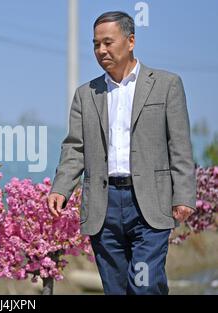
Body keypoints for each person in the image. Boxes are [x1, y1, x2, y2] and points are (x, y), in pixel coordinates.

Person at [48, 11, 196, 295]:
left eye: (107, 42)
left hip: (150, 202)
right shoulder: (85, 94)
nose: (101, 50)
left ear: (130, 41)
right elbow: (74, 147)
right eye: (95, 44)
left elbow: (179, 145)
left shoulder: (166, 85)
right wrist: (61, 188)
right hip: (104, 207)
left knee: (143, 285)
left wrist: (184, 195)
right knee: (116, 290)